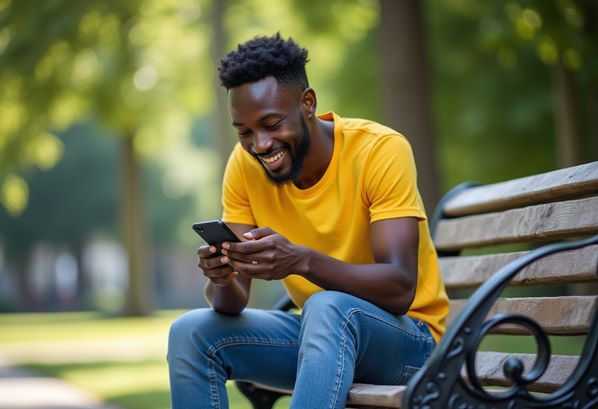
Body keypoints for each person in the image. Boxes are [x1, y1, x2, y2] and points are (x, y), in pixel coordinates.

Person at [168, 33, 449, 409]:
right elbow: (231, 304)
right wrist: (222, 278)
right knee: (191, 332)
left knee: (325, 306)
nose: (260, 144)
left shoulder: (379, 150)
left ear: (308, 103)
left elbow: (400, 288)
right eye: (245, 132)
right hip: (325, 338)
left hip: (411, 345)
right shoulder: (243, 164)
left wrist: (302, 260)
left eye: (271, 124)